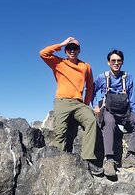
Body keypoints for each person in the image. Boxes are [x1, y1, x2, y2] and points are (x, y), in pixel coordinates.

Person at [39, 36, 103, 175]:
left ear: (79, 50)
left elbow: (90, 87)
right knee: (61, 132)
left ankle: (88, 160)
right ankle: (58, 165)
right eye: (69, 48)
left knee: (91, 121)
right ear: (66, 50)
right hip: (62, 101)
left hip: (78, 103)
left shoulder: (85, 66)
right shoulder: (58, 62)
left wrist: (86, 105)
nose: (72, 50)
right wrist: (61, 44)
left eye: (75, 48)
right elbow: (43, 53)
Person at [92, 49, 135, 177]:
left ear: (122, 62)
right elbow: (91, 91)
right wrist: (95, 106)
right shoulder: (102, 77)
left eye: (119, 61)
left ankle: (130, 156)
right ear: (108, 62)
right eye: (113, 61)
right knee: (109, 122)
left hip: (124, 110)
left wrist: (133, 113)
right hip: (108, 109)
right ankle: (109, 159)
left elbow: (132, 95)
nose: (116, 63)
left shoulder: (127, 77)